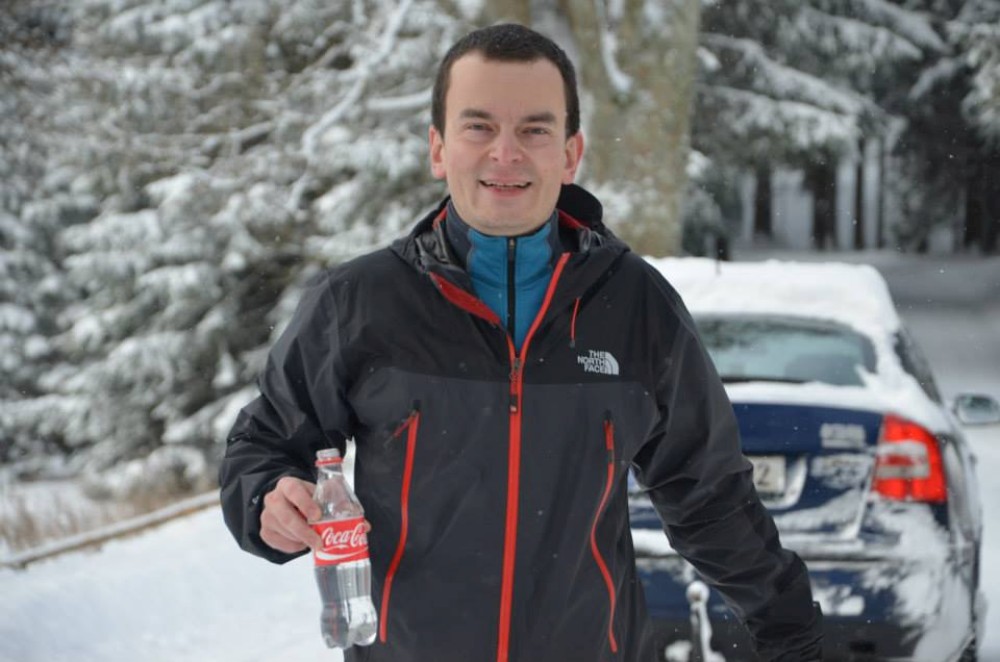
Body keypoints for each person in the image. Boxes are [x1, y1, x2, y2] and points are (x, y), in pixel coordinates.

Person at [219, 23, 823, 662]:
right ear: (438, 149)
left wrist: (795, 638)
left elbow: (711, 496)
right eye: (478, 127)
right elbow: (264, 445)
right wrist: (268, 498)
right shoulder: (360, 303)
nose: (505, 154)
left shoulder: (635, 307)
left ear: (569, 153)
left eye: (534, 130)